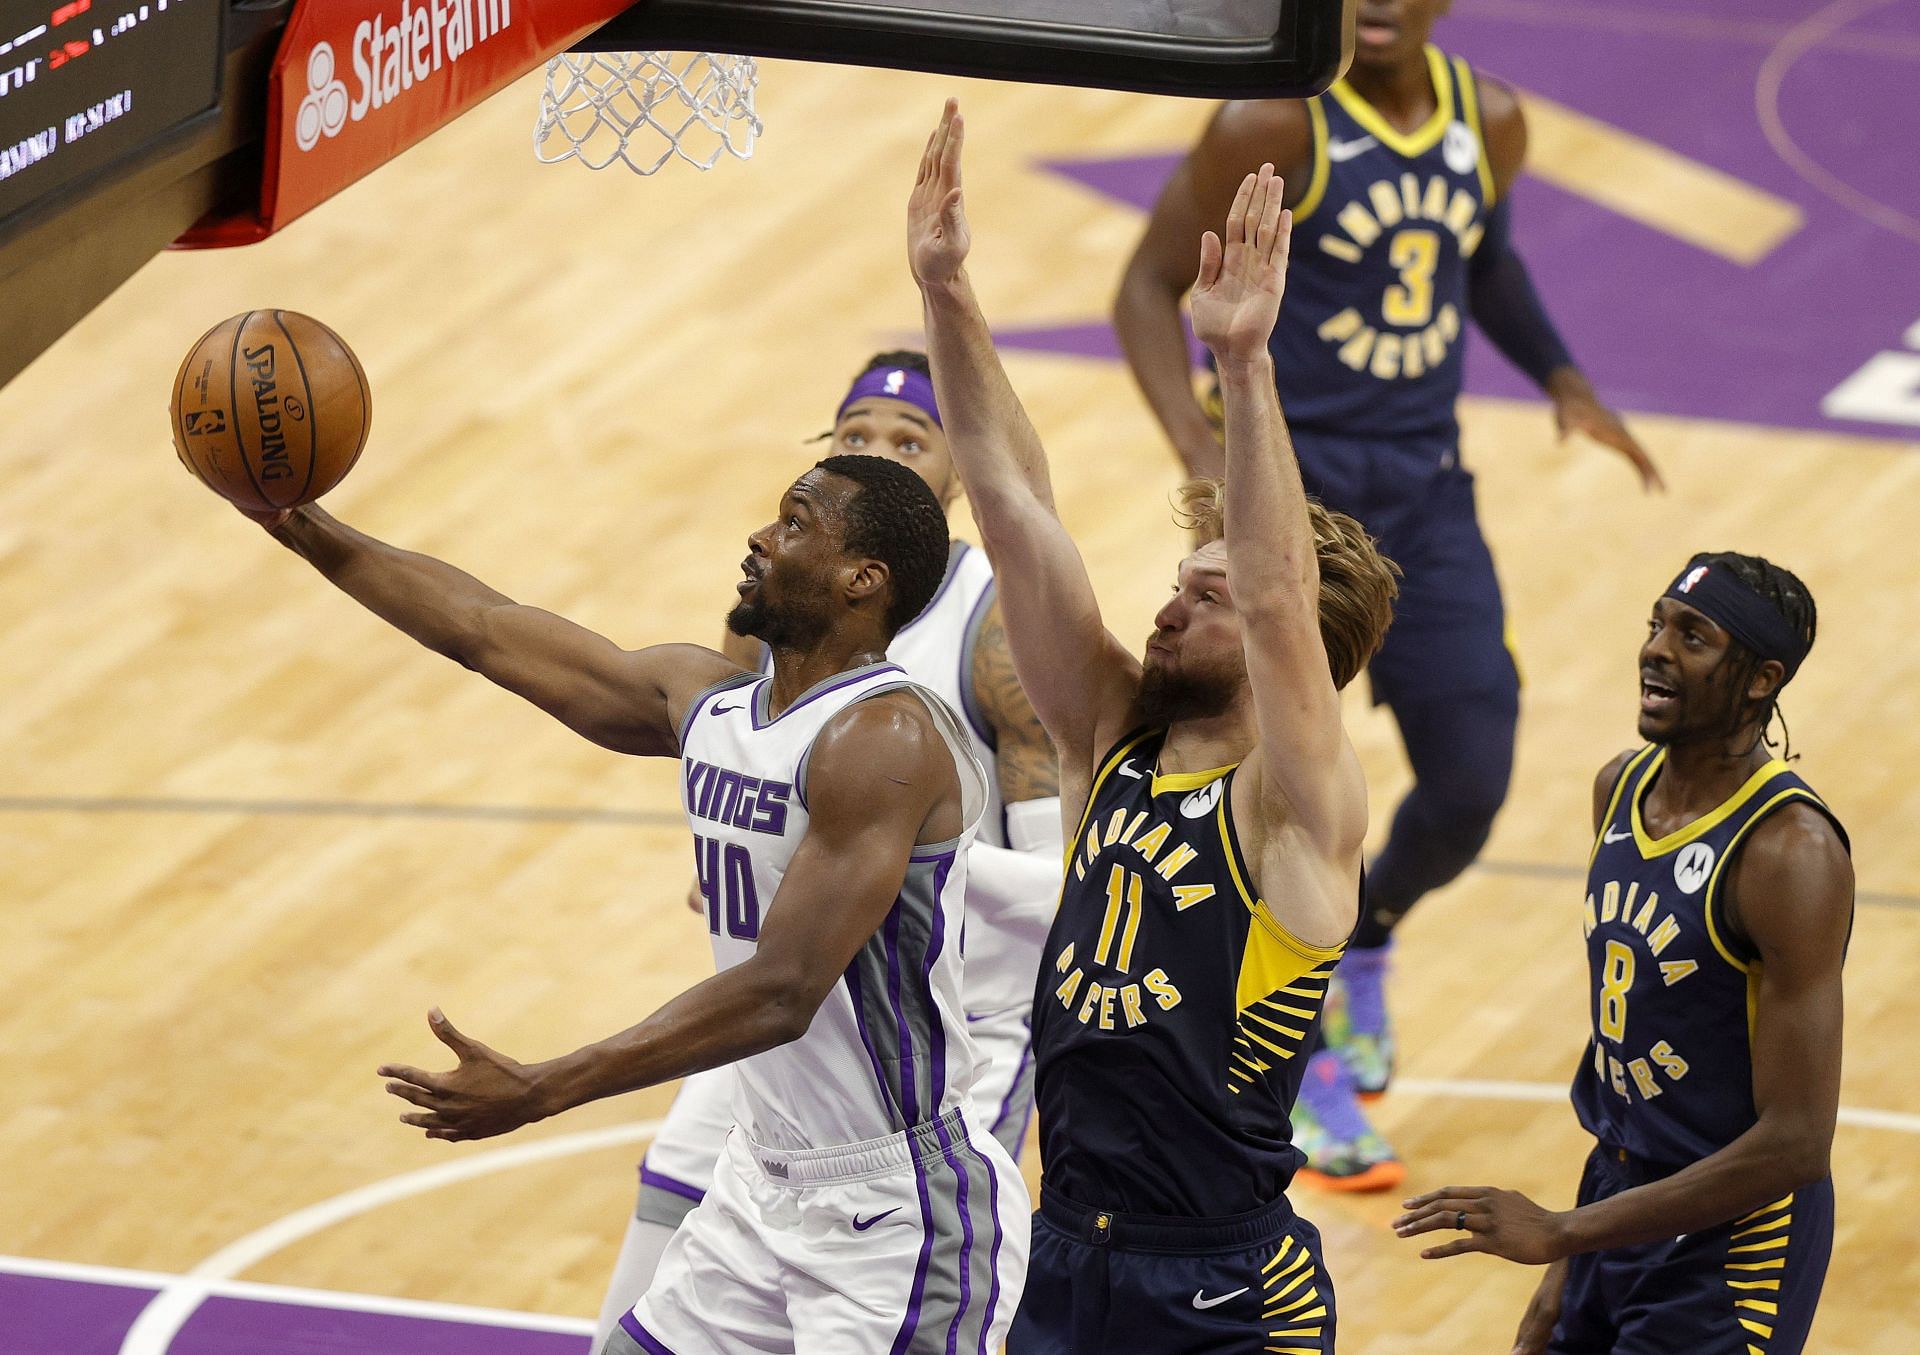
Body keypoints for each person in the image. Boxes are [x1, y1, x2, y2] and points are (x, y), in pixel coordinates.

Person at [243, 455, 1029, 1352]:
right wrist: (299, 523)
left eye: (796, 523)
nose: (762, 537)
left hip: (892, 1215)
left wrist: (544, 1085)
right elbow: (483, 628)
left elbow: (784, 988)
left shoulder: (883, 736)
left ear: (863, 578)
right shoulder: (709, 702)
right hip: (762, 1177)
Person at [1113, 0, 1663, 1186]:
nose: (1370, 3)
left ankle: (1365, 933)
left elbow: (1488, 262)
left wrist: (1565, 378)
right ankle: (1292, 1063)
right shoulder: (1271, 118)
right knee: (1274, 800)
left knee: (1473, 772)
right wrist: (1202, 459)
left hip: (1425, 488)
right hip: (1292, 503)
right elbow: (1144, 288)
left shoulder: (1491, 121)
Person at [909, 100, 1398, 1352]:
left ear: (1295, 654)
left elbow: (1284, 593)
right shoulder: (1109, 733)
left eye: (1207, 594)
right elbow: (1016, 504)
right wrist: (948, 289)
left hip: (1224, 1285)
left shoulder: (1295, 801)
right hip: (1066, 1246)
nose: (1171, 601)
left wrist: (1241, 362)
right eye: (1181, 579)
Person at [595, 351, 1063, 1347]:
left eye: (908, 439)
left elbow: (1058, 881)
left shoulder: (995, 635)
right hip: (789, 1006)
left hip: (939, 1022)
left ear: (952, 477)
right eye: (854, 432)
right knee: (669, 1198)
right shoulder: (782, 603)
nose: (874, 448)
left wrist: (887, 880)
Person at [1394, 552, 1851, 1355]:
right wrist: (1566, 1270)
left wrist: (1563, 1231)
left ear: (1759, 678)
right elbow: (1632, 1071)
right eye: (1656, 623)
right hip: (1618, 1196)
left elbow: (1798, 1140)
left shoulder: (1789, 854)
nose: (1656, 648)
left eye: (1694, 636)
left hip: (1730, 1245)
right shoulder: (1619, 787)